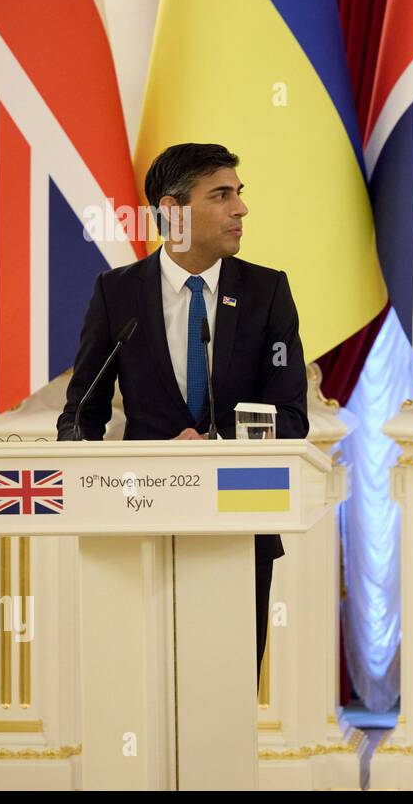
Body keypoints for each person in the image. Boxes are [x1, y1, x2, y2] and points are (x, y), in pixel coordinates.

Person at [57, 143, 308, 676]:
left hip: (240, 528)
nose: (240, 209)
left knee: (226, 689)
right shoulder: (115, 294)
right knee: (137, 684)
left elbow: (290, 416)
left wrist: (214, 449)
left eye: (239, 194)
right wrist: (78, 471)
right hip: (137, 528)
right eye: (222, 195)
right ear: (172, 212)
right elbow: (82, 412)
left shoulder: (268, 292)